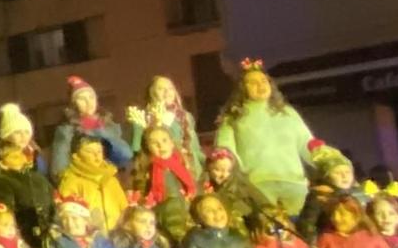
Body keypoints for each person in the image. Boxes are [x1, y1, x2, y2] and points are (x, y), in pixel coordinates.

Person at [212, 59, 317, 220]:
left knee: (299, 240)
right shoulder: (233, 118)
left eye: (263, 81)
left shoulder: (287, 113)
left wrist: (331, 163)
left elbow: (308, 145)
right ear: (242, 89)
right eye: (252, 83)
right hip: (258, 188)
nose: (260, 85)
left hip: (295, 187)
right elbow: (225, 151)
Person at [131, 124, 199, 247]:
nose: (160, 146)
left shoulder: (182, 164)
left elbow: (194, 187)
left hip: (189, 213)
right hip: (166, 219)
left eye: (164, 140)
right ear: (148, 148)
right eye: (154, 143)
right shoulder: (149, 171)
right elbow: (145, 197)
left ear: (172, 143)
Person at [49, 76, 133, 174]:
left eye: (91, 97)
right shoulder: (67, 130)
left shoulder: (109, 125)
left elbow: (125, 155)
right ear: (73, 103)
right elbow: (59, 167)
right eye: (82, 99)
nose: (89, 102)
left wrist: (101, 133)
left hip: (110, 176)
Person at [125, 74, 204, 175]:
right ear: (152, 93)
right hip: (161, 174)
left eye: (170, 88)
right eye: (161, 89)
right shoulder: (142, 118)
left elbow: (195, 148)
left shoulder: (186, 117)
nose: (167, 92)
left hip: (191, 171)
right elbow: (136, 150)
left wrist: (204, 167)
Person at [55, 132, 128, 236]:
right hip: (90, 237)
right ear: (76, 156)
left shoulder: (111, 179)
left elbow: (124, 208)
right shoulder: (71, 181)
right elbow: (68, 213)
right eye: (89, 151)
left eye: (99, 151)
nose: (96, 155)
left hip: (117, 235)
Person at [0, 138, 55, 243]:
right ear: (2, 164)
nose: (20, 158)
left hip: (50, 232)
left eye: (21, 154)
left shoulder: (38, 178)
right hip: (26, 236)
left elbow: (53, 200)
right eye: (14, 157)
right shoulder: (0, 182)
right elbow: (7, 211)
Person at [200, 146, 267, 231]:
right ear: (209, 167)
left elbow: (263, 203)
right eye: (217, 170)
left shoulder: (241, 185)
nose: (223, 175)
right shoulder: (203, 187)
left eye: (228, 171)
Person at [0, 102, 40, 179]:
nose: (23, 136)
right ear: (6, 136)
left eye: (27, 132)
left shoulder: (33, 152)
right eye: (17, 132)